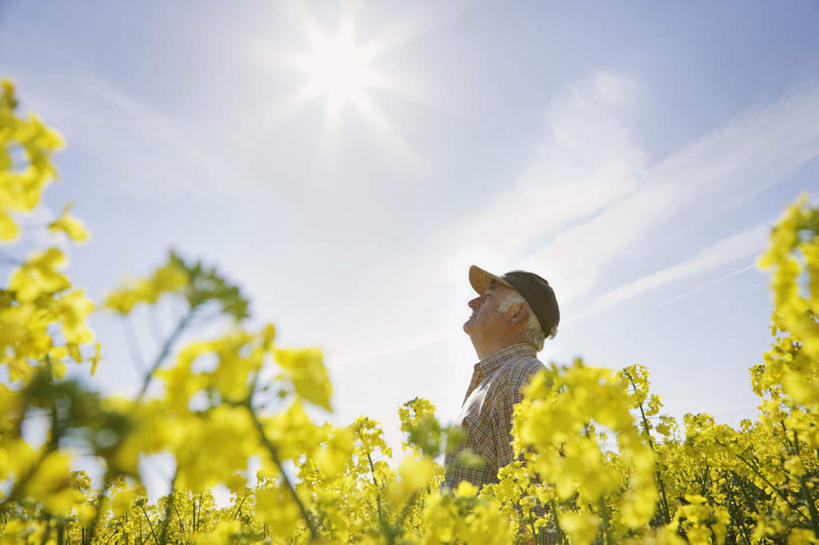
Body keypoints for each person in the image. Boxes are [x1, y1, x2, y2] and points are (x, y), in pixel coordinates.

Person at [443, 265, 560, 544]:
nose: (473, 301)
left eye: (488, 295)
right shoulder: (501, 378)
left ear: (516, 313)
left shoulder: (519, 379)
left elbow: (535, 518)